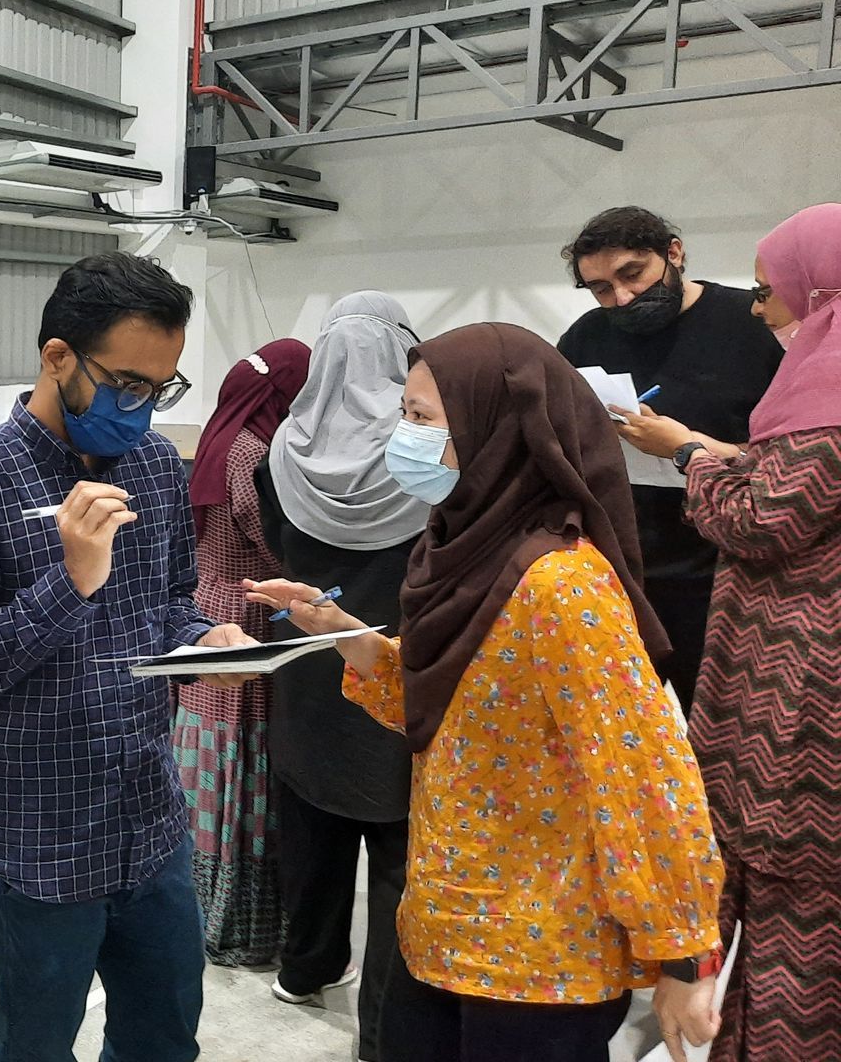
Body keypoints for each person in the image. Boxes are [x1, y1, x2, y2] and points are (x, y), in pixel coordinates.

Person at [248, 323, 724, 1062]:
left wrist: (683, 952)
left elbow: (642, 770)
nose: (402, 438)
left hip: (540, 959)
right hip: (443, 923)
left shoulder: (564, 585)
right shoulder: (462, 550)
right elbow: (464, 708)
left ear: (498, 431)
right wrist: (350, 636)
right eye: (402, 413)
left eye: (423, 418)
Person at [0, 251, 257, 1062]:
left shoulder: (155, 467)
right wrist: (70, 582)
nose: (141, 408)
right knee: (34, 1044)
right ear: (58, 357)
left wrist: (205, 640)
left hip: (151, 822)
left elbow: (170, 601)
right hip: (36, 842)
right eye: (126, 384)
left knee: (164, 1036)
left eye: (160, 389)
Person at [667, 203, 841, 1062]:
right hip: (792, 668)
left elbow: (767, 519)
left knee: (791, 911)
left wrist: (689, 459)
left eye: (771, 290)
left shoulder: (830, 400)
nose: (758, 306)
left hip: (800, 689)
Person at [251, 293, 424, 1059]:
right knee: (396, 854)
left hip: (308, 659)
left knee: (310, 827)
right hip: (396, 663)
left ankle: (304, 967)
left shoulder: (282, 454)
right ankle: (381, 1033)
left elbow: (277, 548)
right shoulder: (427, 456)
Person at [557, 206, 784, 714]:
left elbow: (797, 457)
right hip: (623, 571)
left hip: (729, 572)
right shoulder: (585, 338)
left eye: (633, 273)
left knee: (723, 728)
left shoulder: (753, 323)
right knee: (621, 731)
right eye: (600, 289)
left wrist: (689, 447)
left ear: (674, 253)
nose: (622, 297)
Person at [176, 335, 309, 969]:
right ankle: (240, 925)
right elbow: (271, 540)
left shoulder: (217, 436)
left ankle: (197, 906)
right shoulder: (255, 452)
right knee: (245, 763)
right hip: (248, 611)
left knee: (207, 758)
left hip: (207, 604)